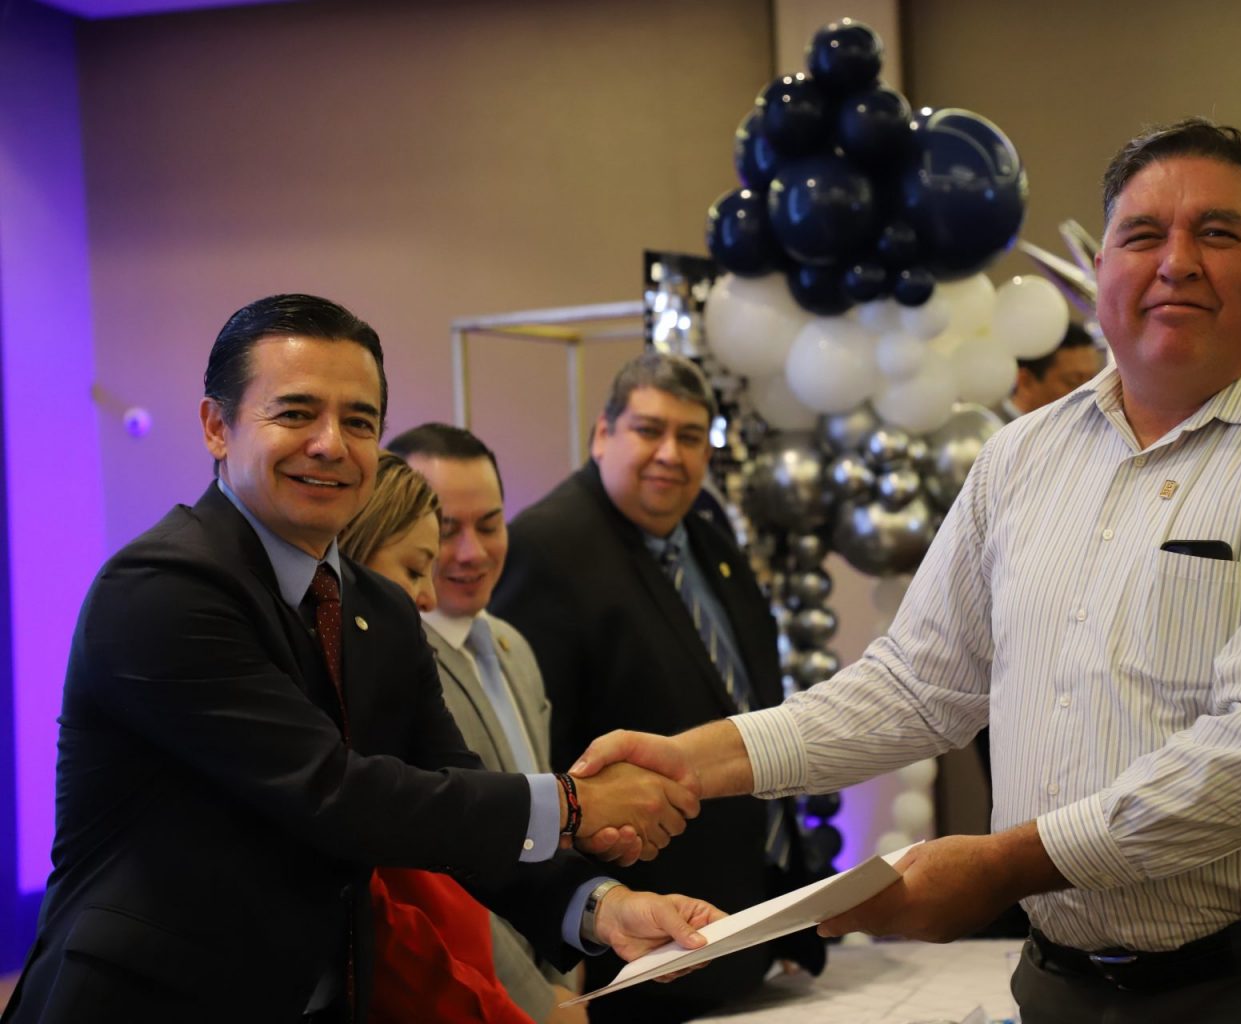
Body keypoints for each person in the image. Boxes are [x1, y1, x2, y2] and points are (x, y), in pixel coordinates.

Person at [574, 120, 1241, 1024]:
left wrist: (1002, 867)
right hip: (1063, 987)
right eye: (1142, 235)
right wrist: (693, 761)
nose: (1176, 262)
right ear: (1100, 272)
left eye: (1217, 232)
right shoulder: (1023, 456)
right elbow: (917, 684)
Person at [3, 294, 717, 1024]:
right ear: (217, 426)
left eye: (359, 422)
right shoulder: (163, 587)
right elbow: (335, 796)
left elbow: (452, 789)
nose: (330, 444)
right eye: (296, 413)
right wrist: (571, 803)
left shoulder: (378, 608)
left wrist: (602, 907)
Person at [490, 351, 825, 1023]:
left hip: (742, 926)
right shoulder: (547, 546)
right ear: (603, 434)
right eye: (649, 430)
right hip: (642, 948)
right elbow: (541, 753)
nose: (670, 453)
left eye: (690, 436)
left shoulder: (707, 534)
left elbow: (747, 698)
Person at [385, 423, 586, 1024]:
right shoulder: (390, 665)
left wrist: (566, 969)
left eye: (490, 524)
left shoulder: (512, 646)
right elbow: (441, 869)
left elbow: (541, 831)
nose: (472, 552)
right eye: (447, 530)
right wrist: (533, 1001)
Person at [337, 451, 539, 1024]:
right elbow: (394, 923)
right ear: (351, 558)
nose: (426, 597)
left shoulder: (512, 647)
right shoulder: (356, 712)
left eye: (490, 523)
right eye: (413, 569)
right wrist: (515, 1010)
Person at [996, 323, 1103, 421]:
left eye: (1092, 380)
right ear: (1025, 381)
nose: (1090, 395)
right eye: (1074, 381)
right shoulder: (993, 430)